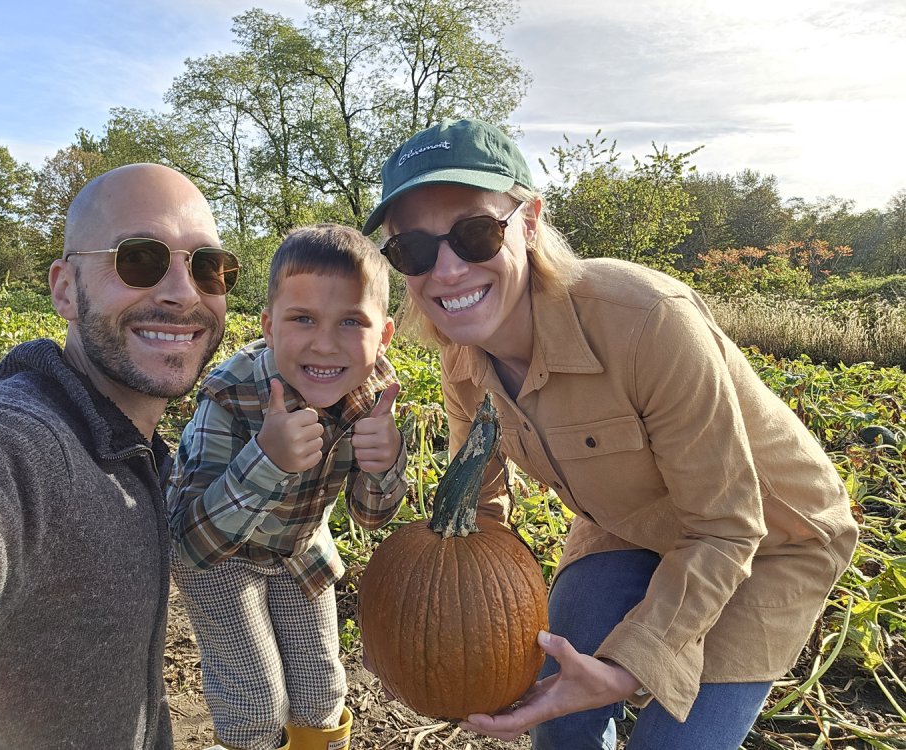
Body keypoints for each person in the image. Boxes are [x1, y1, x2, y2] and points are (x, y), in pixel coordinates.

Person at [361, 118, 859, 749]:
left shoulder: (648, 322)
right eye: (414, 250)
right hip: (628, 525)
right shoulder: (463, 363)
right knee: (561, 726)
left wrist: (626, 669)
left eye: (476, 233)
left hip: (769, 543)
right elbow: (479, 508)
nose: (449, 270)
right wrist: (418, 623)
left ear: (530, 221)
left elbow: (728, 527)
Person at [0, 163, 238, 749]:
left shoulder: (131, 450)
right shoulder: (14, 444)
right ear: (64, 289)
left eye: (207, 267)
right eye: (140, 259)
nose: (184, 292)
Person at [167, 223, 407, 750]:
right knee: (256, 701)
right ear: (270, 327)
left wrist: (385, 463)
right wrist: (267, 461)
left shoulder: (376, 397)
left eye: (351, 321)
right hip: (220, 560)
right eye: (303, 319)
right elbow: (190, 543)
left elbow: (370, 517)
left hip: (298, 546)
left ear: (383, 335)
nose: (325, 343)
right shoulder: (230, 394)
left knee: (322, 691)